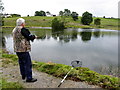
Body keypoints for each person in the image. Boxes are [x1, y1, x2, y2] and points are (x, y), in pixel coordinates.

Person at [12, 18, 37, 82]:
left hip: (17, 49)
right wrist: (34, 37)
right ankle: (29, 78)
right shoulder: (23, 30)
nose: (25, 24)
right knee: (28, 63)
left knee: (21, 62)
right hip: (23, 49)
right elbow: (29, 37)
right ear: (22, 23)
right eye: (24, 23)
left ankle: (23, 75)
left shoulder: (14, 29)